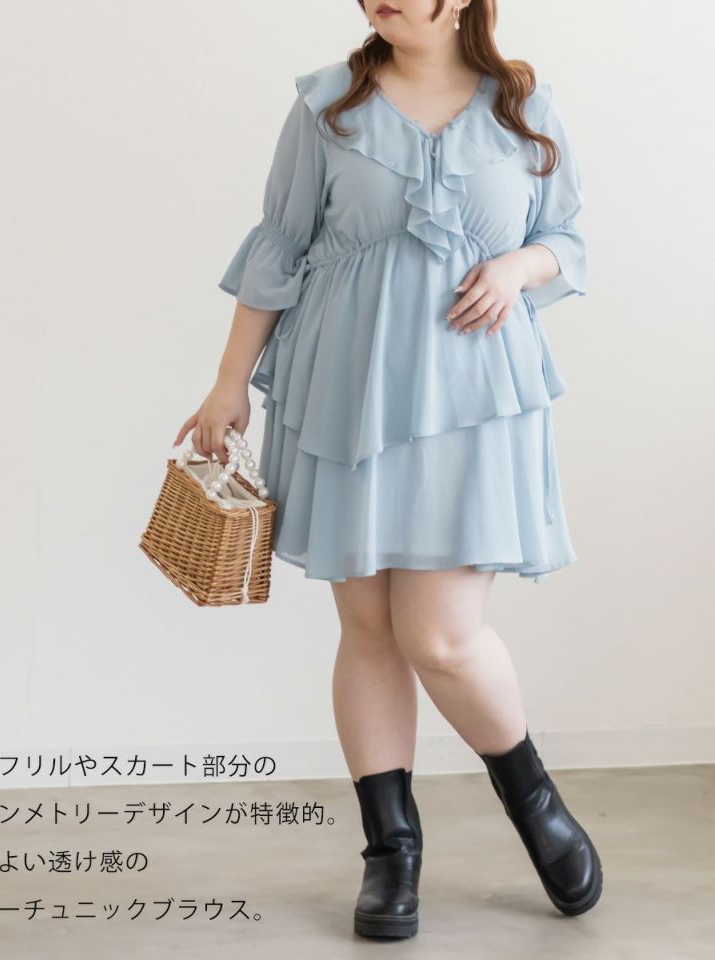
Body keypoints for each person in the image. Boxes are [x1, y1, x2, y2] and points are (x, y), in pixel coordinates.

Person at [174, 0, 603, 939]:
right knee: (368, 627)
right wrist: (228, 384)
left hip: (475, 400)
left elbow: (568, 240)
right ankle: (390, 851)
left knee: (441, 636)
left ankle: (534, 800)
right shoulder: (328, 105)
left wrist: (518, 268)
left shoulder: (522, 106)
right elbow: (279, 246)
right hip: (346, 389)